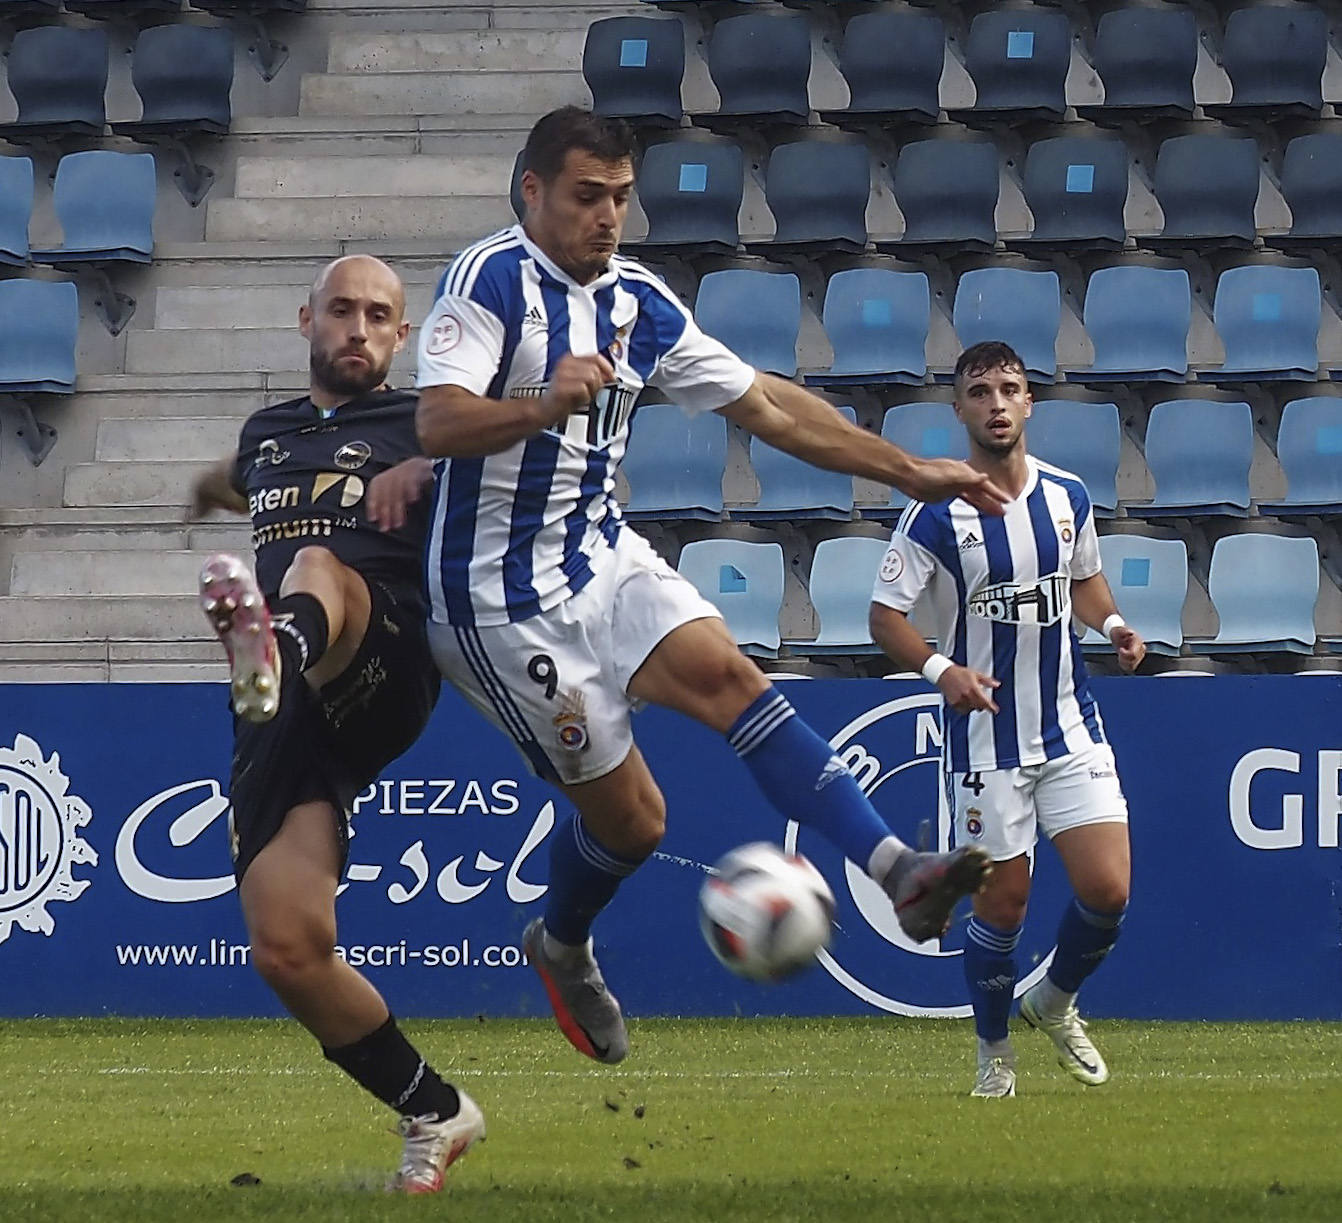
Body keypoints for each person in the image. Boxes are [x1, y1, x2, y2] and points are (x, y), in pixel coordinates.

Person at [403, 106, 1007, 1067]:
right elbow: (436, 423)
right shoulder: (491, 282)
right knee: (637, 823)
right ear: (532, 193)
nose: (607, 218)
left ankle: (900, 870)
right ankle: (561, 944)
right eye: (586, 197)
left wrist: (906, 468)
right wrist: (544, 401)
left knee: (733, 677)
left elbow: (765, 403)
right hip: (498, 605)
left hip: (599, 555)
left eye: (621, 199)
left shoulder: (638, 301)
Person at [189, 254, 484, 1191]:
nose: (360, 328)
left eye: (381, 316)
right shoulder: (266, 434)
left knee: (318, 561)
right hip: (286, 708)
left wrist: (435, 462)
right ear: (306, 317)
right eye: (344, 311)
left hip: (381, 657)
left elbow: (500, 458)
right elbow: (255, 477)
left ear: (403, 337)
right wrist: (212, 486)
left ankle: (273, 646)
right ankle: (436, 1109)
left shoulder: (419, 422)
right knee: (286, 946)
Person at [868, 340, 1145, 1098]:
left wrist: (1114, 624)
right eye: (980, 390)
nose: (996, 402)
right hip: (985, 742)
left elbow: (1082, 580)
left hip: (1069, 726)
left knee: (1109, 890)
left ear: (1030, 404)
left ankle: (1052, 1000)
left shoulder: (1068, 496)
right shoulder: (934, 513)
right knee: (1004, 906)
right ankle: (995, 1054)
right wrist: (941, 670)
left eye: (1010, 388)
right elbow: (884, 616)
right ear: (959, 408)